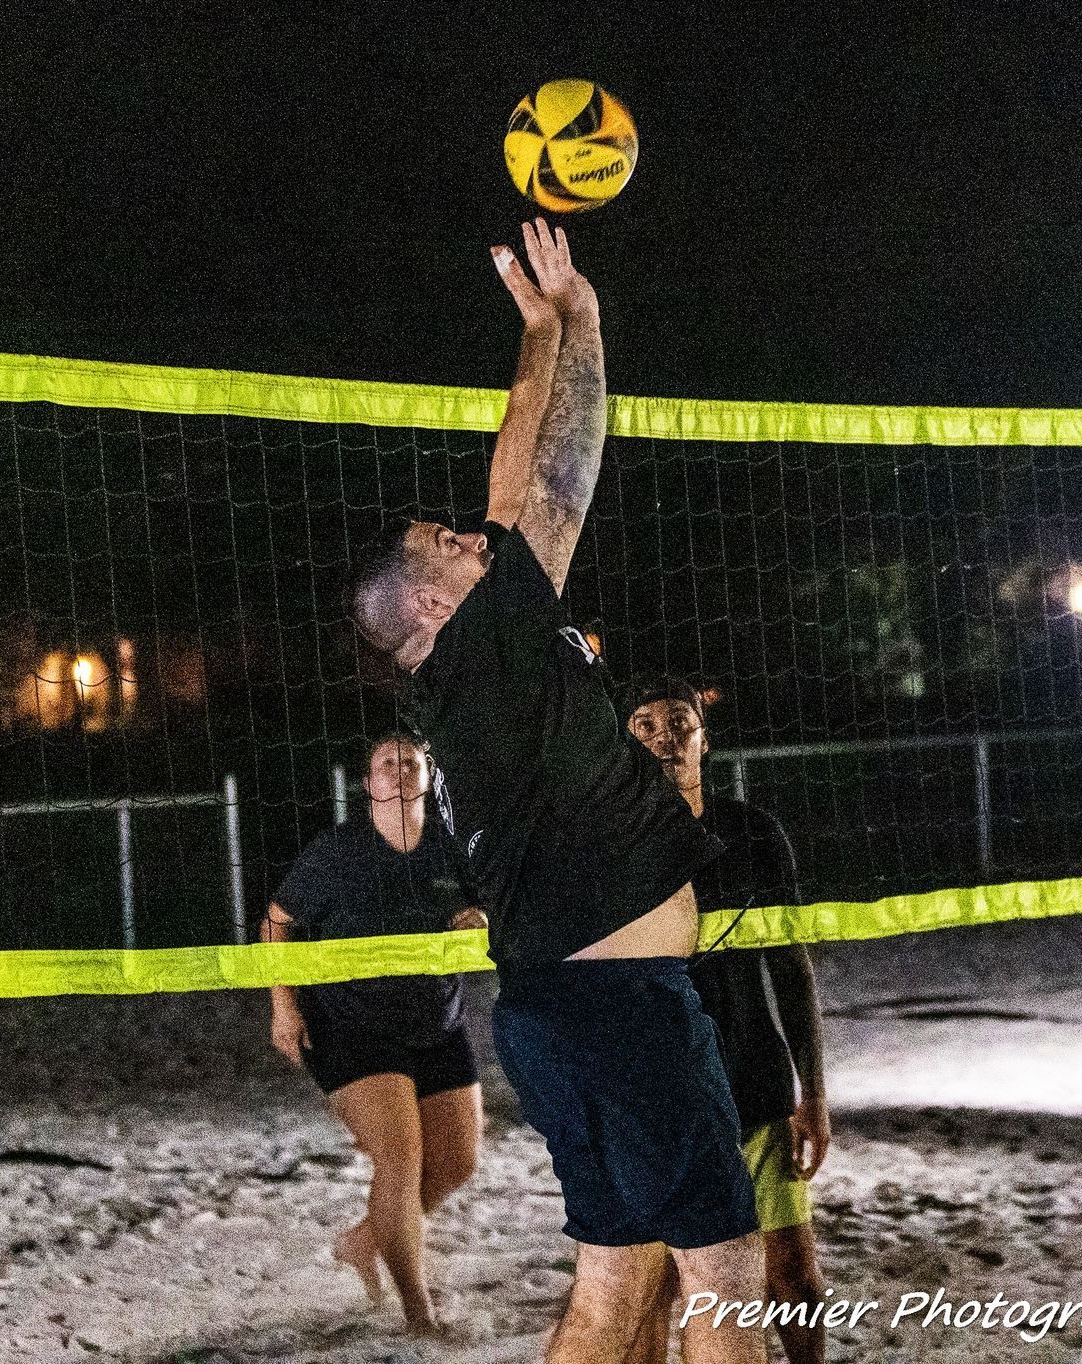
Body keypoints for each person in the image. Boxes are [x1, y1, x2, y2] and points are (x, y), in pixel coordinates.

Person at [348, 219, 765, 1364]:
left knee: (617, 1287)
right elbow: (539, 467)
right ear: (433, 608)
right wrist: (561, 324)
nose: (470, 538)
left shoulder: (488, 668)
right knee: (730, 1277)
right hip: (621, 1008)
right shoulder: (481, 648)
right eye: (446, 545)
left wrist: (561, 327)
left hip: (567, 1010)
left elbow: (539, 482)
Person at [623, 677, 830, 1364]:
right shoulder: (608, 846)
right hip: (659, 1099)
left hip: (752, 1083)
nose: (664, 736)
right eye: (645, 723)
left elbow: (791, 968)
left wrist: (816, 1096)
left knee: (792, 1279)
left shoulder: (752, 833)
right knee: (653, 1292)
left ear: (704, 739)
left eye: (679, 721)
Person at [263, 731, 487, 1335]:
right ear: (369, 784)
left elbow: (493, 908)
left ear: (428, 773)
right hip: (349, 1027)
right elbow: (275, 924)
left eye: (411, 761)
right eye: (387, 764)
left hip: (436, 1021)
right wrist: (284, 1008)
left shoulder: (454, 847)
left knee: (460, 1162)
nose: (400, 771)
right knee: (399, 1156)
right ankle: (420, 1315)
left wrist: (480, 916)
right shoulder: (336, 855)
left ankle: (368, 1239)